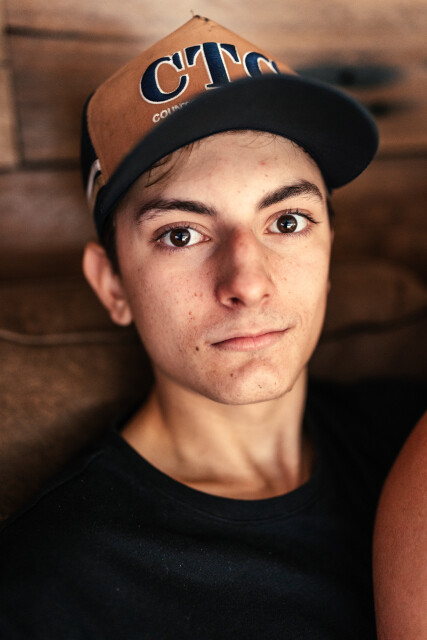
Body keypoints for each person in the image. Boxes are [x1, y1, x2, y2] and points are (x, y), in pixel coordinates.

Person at [0, 16, 425, 639]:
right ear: (112, 285)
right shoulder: (52, 586)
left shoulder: (407, 438)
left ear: (330, 253)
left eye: (287, 222)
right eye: (181, 234)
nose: (248, 282)